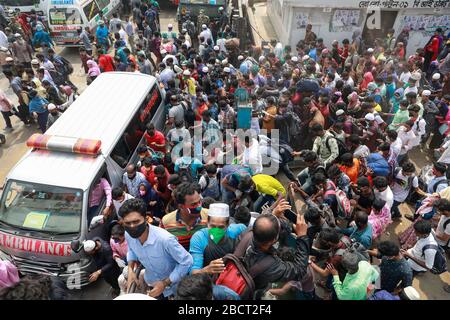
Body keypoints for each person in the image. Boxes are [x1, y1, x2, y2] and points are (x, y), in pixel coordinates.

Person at [120, 198, 193, 298]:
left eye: (136, 222)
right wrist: (131, 270)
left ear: (146, 219)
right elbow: (132, 250)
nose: (132, 226)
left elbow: (187, 261)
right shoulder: (128, 235)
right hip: (152, 283)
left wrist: (165, 283)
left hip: (175, 286)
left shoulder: (165, 240)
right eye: (127, 223)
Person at [189, 203, 246, 274]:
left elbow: (244, 228)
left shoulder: (235, 231)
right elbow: (193, 272)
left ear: (228, 225)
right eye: (212, 226)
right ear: (207, 223)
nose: (216, 231)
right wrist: (206, 270)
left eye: (221, 227)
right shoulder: (199, 238)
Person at [160, 182, 208, 250]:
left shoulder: (209, 217)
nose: (199, 207)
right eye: (194, 204)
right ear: (181, 206)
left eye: (199, 202)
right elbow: (163, 247)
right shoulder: (166, 222)